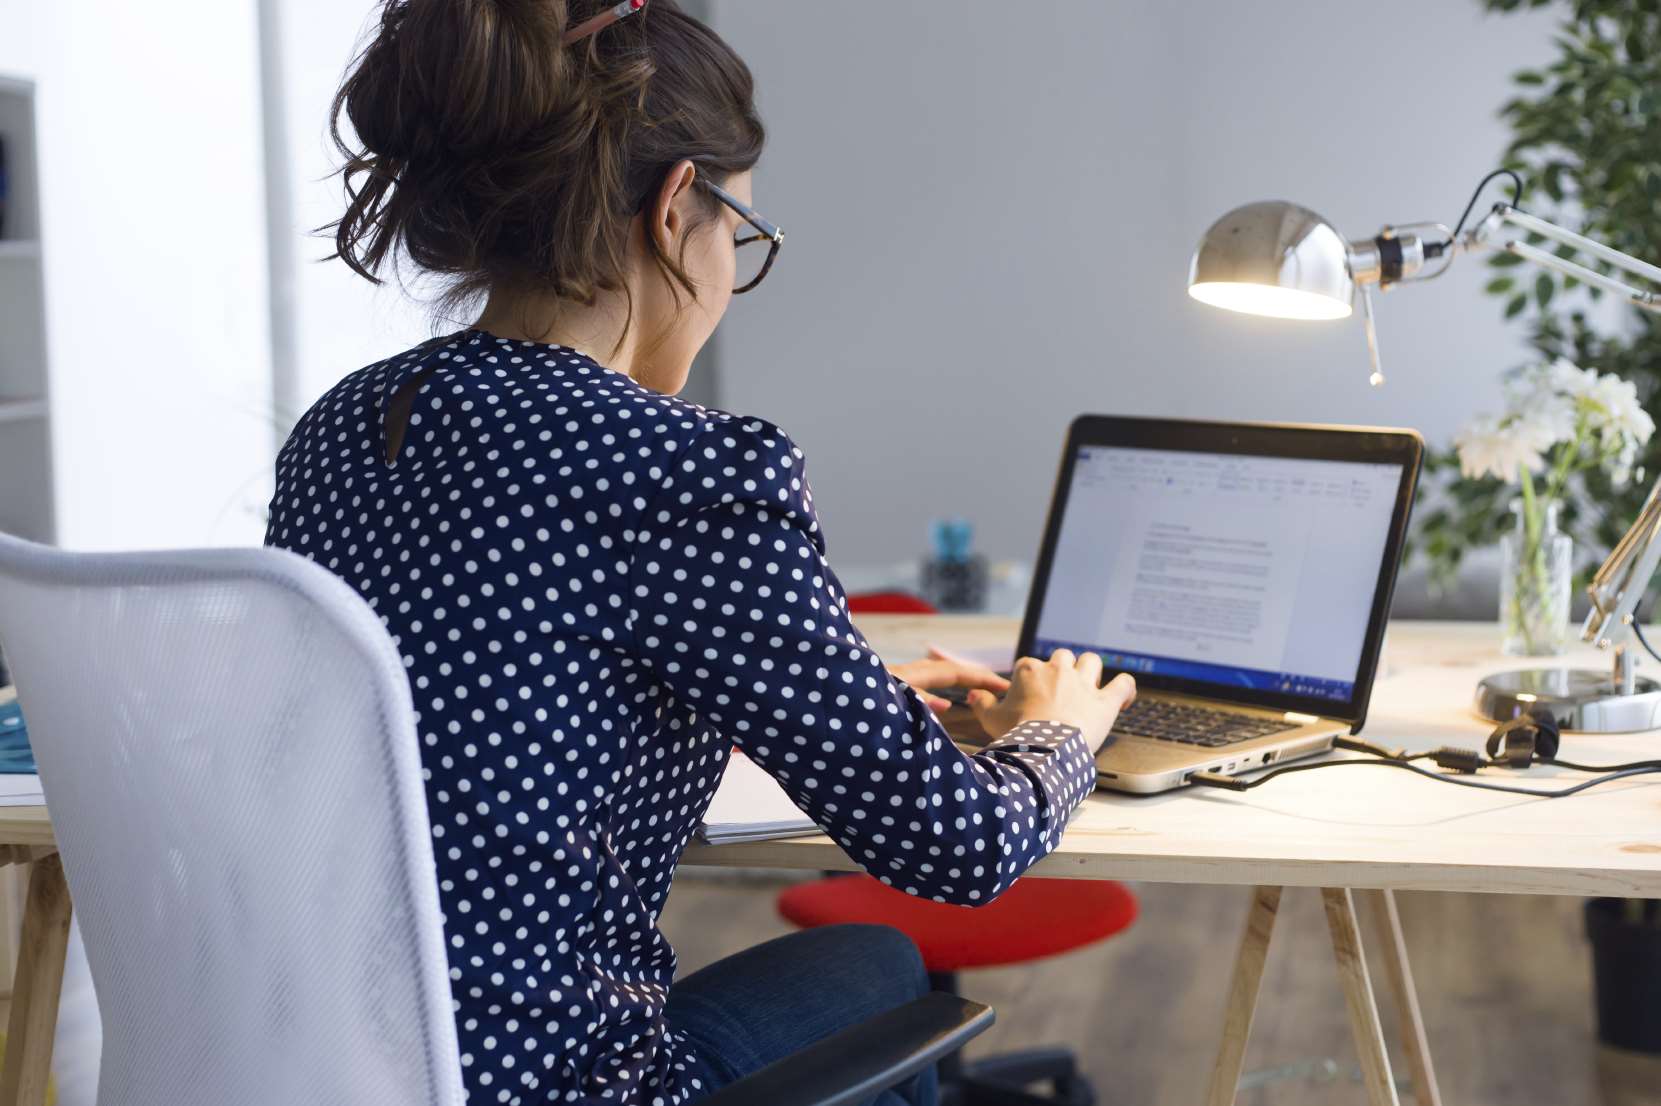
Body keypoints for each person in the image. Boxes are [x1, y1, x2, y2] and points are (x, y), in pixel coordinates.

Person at [264, 2, 1136, 1103]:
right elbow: (956, 849)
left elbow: (482, 724)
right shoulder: (684, 468)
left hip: (323, 1066)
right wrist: (1062, 729)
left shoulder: (347, 426)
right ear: (677, 207)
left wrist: (841, 701)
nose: (730, 274)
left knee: (858, 965)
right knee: (878, 963)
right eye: (741, 236)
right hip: (556, 1083)